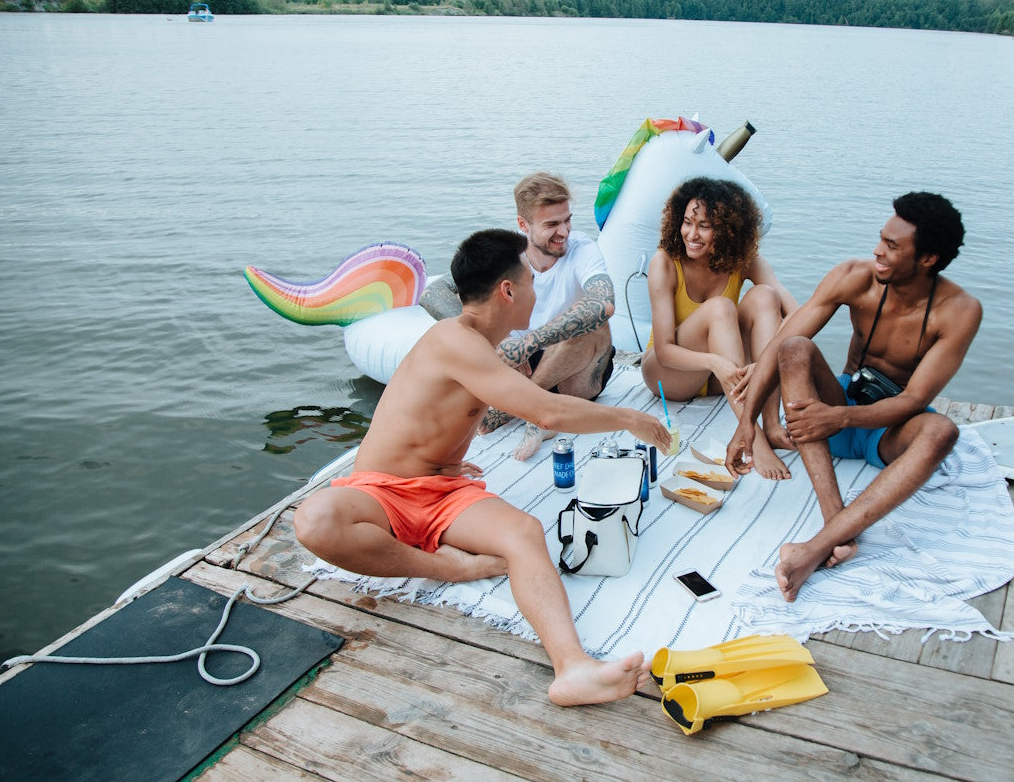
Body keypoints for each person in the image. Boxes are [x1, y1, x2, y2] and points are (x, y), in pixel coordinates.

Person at [295, 228, 670, 707]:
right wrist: (629, 418)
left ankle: (572, 668)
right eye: (531, 280)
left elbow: (447, 413)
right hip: (381, 493)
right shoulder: (454, 339)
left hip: (443, 490)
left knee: (524, 533)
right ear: (508, 290)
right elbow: (548, 412)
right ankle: (444, 569)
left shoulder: (481, 346)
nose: (537, 290)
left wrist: (447, 457)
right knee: (315, 519)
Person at [727, 192, 982, 601]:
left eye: (893, 247)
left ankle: (817, 547)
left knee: (942, 432)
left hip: (889, 427)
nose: (878, 252)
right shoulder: (853, 276)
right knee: (795, 348)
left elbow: (916, 398)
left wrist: (839, 420)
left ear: (929, 259)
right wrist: (747, 424)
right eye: (881, 239)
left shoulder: (959, 311)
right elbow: (780, 346)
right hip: (840, 403)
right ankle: (836, 524)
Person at [421, 173, 616, 461]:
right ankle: (534, 407)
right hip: (513, 365)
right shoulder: (506, 254)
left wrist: (529, 342)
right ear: (523, 225)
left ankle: (531, 411)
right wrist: (495, 344)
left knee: (596, 324)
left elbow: (604, 302)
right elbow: (434, 293)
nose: (564, 232)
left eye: (567, 220)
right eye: (551, 224)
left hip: (573, 368)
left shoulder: (582, 248)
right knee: (467, 328)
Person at [642, 177, 799, 479]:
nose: (692, 234)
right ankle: (753, 436)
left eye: (704, 226)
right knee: (721, 307)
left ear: (727, 230)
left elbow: (798, 313)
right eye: (687, 222)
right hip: (669, 374)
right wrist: (714, 362)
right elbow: (663, 350)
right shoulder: (665, 262)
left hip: (721, 378)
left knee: (766, 296)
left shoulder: (743, 260)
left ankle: (772, 424)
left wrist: (765, 360)